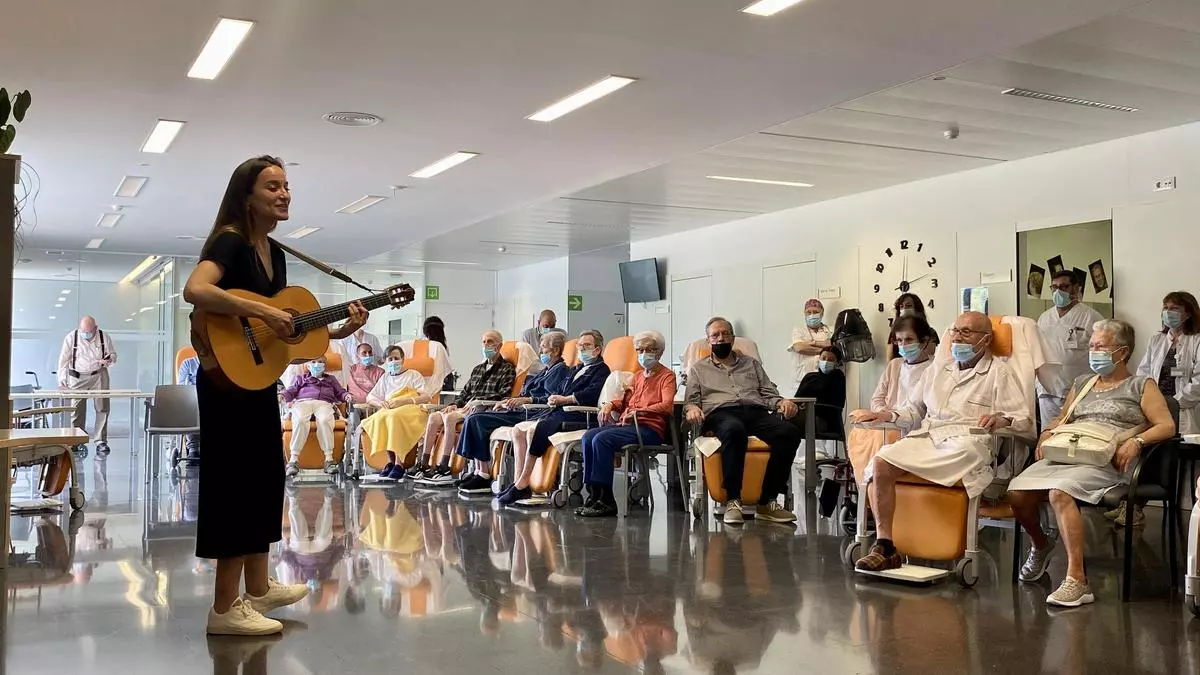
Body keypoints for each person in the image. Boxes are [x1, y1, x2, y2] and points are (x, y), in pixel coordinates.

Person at [184, 155, 369, 636]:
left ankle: (258, 586)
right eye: (272, 186)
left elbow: (283, 335)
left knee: (264, 478)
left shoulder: (276, 252)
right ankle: (224, 609)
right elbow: (196, 289)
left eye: (286, 185)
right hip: (226, 381)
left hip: (258, 379)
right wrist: (262, 312)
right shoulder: (230, 241)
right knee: (234, 486)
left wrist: (339, 330)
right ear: (246, 197)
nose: (284, 194)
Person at [1008, 319, 1175, 607]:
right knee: (1016, 492)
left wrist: (1137, 441)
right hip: (1070, 453)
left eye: (1101, 346)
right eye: (1092, 346)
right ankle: (1041, 544)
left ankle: (1077, 580)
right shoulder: (1083, 383)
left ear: (1122, 352)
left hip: (1107, 460)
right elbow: (1063, 417)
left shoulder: (1141, 385)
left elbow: (1166, 426)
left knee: (1059, 492)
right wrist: (1048, 431)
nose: (1094, 351)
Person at [850, 311, 1031, 572]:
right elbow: (913, 410)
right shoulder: (938, 369)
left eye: (966, 332)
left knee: (964, 453)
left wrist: (1001, 419)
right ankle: (885, 546)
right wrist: (884, 415)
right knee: (882, 461)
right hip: (929, 436)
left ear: (986, 339)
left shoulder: (999, 372)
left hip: (967, 441)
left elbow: (1022, 418)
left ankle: (947, 535)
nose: (957, 337)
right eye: (955, 331)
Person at [686, 317, 800, 525]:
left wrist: (781, 402)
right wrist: (692, 408)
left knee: (789, 433)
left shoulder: (751, 364)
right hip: (720, 413)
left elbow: (768, 393)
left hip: (755, 412)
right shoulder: (698, 369)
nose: (721, 338)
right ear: (708, 340)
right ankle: (733, 500)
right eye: (715, 335)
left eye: (725, 334)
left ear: (733, 338)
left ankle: (767, 502)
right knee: (734, 430)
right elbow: (691, 401)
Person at [499, 329, 611, 505]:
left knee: (536, 429)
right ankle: (517, 481)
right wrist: (554, 398)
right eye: (580, 345)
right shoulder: (577, 369)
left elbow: (591, 393)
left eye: (587, 345)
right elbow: (560, 389)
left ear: (597, 349)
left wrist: (566, 399)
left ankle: (523, 484)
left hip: (579, 414)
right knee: (518, 430)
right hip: (559, 411)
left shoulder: (602, 370)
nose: (582, 349)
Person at [454, 332, 572, 495]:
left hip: (533, 412)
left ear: (556, 350)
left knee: (477, 419)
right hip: (521, 409)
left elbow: (551, 398)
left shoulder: (560, 371)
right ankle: (479, 471)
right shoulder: (546, 371)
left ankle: (484, 474)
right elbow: (524, 393)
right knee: (474, 418)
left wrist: (527, 400)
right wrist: (509, 400)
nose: (540, 351)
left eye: (544, 347)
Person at [576, 331, 676, 518]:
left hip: (648, 429)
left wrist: (640, 411)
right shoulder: (637, 376)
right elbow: (624, 402)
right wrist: (609, 405)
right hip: (627, 426)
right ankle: (594, 494)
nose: (643, 354)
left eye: (649, 349)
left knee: (602, 439)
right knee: (588, 437)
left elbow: (667, 405)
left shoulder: (667, 376)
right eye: (639, 350)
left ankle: (607, 500)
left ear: (660, 352)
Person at [413, 330, 517, 484]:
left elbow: (503, 394)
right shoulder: (478, 369)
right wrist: (455, 404)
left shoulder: (507, 369)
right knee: (434, 417)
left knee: (449, 418)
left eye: (490, 342)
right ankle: (424, 464)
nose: (486, 345)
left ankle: (444, 466)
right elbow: (466, 392)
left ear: (499, 345)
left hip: (483, 408)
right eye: (484, 342)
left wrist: (477, 401)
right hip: (466, 406)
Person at [1035, 269, 1103, 426]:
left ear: (1076, 288)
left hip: (1079, 391)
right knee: (1049, 435)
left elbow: (1102, 350)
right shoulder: (1044, 318)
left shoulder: (1091, 317)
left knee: (1075, 435)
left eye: (1064, 287)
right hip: (1048, 391)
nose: (1058, 291)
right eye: (1054, 287)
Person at [360, 344, 433, 480]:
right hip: (390, 410)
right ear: (386, 362)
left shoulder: (413, 375)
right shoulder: (386, 377)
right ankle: (391, 462)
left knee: (393, 417)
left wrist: (404, 401)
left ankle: (400, 463)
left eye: (396, 358)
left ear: (403, 359)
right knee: (378, 419)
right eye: (390, 359)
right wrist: (380, 403)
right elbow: (370, 397)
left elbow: (426, 396)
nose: (393, 362)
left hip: (411, 410)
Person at [280, 355, 354, 478]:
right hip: (303, 402)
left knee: (324, 420)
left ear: (325, 365)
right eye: (313, 362)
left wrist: (346, 395)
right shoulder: (301, 378)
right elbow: (291, 390)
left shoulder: (331, 379)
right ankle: (293, 460)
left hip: (324, 403)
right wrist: (283, 395)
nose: (317, 364)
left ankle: (329, 459)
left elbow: (340, 392)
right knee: (300, 419)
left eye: (320, 362)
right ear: (308, 365)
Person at [57, 316, 117, 456]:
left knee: (102, 407)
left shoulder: (103, 337)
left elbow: (113, 355)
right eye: (83, 331)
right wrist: (62, 379)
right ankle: (76, 441)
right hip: (77, 376)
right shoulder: (71, 338)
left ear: (95, 329)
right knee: (77, 408)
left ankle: (101, 441)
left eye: (88, 332)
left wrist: (109, 360)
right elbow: (63, 360)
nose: (85, 334)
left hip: (99, 374)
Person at [791, 346, 846, 439]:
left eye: (831, 360)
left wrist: (809, 405)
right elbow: (797, 399)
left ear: (837, 363)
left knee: (785, 423)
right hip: (805, 416)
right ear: (819, 359)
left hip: (825, 421)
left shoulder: (838, 377)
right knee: (782, 416)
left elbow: (834, 400)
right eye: (823, 358)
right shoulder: (810, 377)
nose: (826, 362)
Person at [787, 299, 831, 391]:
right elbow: (799, 348)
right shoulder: (798, 330)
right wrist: (824, 350)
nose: (812, 315)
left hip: (825, 380)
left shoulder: (830, 330)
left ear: (822, 313)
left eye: (815, 312)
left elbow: (833, 347)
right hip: (801, 381)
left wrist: (813, 343)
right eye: (808, 312)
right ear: (805, 314)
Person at [887, 293, 938, 358]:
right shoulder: (895, 333)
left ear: (917, 309)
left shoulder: (930, 332)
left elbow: (929, 357)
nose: (904, 309)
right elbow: (889, 359)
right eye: (901, 307)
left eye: (908, 306)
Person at [177, 355, 201, 462]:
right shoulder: (187, 364)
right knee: (190, 405)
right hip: (192, 398)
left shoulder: (217, 363)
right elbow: (182, 388)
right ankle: (193, 448)